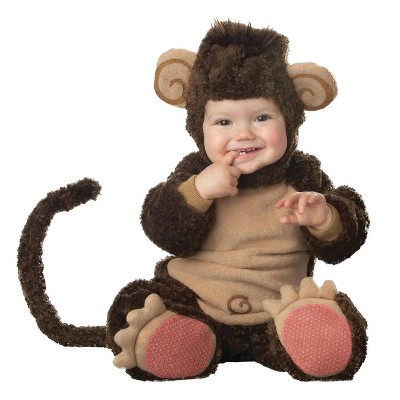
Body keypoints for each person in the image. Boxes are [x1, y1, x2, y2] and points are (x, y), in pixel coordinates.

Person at [108, 21, 369, 382]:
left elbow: (349, 236)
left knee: (315, 315)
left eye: (262, 117)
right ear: (199, 127)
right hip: (193, 301)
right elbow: (163, 229)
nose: (243, 133)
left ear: (290, 120)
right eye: (224, 122)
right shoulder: (194, 173)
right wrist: (198, 191)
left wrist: (326, 218)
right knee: (140, 303)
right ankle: (173, 338)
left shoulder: (303, 177)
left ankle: (307, 335)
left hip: (277, 310)